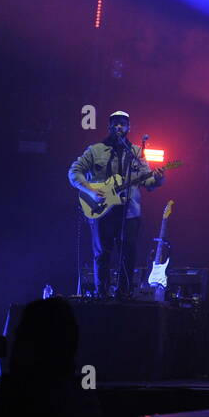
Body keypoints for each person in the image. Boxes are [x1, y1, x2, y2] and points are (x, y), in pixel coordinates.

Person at [68, 111, 165, 298]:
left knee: (128, 253)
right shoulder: (95, 150)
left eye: (123, 124)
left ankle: (124, 293)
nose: (119, 127)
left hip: (129, 212)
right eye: (115, 123)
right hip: (102, 210)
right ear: (109, 126)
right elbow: (74, 172)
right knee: (102, 253)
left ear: (129, 128)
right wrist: (90, 190)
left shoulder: (136, 152)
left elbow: (148, 182)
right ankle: (101, 293)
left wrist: (159, 179)